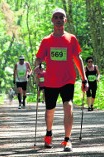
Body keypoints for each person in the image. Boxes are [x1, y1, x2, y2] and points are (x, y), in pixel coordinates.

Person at [34, 8, 88, 152]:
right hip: (50, 80)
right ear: (52, 20)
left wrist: (84, 79)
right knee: (49, 110)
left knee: (68, 106)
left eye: (61, 17)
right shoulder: (46, 40)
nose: (58, 19)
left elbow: (78, 59)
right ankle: (49, 133)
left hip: (68, 79)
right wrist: (38, 67)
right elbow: (39, 58)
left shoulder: (71, 39)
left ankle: (67, 140)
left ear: (65, 20)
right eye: (56, 17)